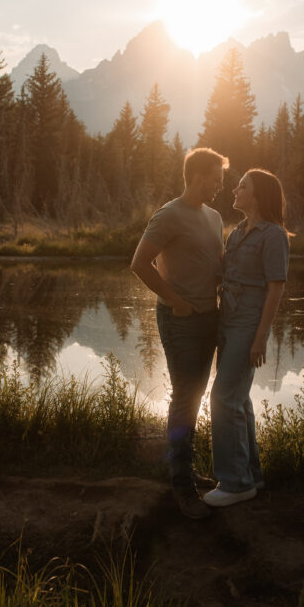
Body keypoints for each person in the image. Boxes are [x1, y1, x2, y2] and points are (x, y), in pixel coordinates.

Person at [131, 147, 229, 519]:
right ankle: (181, 487)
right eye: (216, 180)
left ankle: (186, 470)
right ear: (198, 176)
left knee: (198, 394)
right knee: (185, 395)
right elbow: (139, 263)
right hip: (180, 320)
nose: (220, 187)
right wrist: (175, 301)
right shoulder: (169, 215)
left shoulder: (215, 216)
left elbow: (213, 264)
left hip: (209, 318)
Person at [204, 169, 290, 508]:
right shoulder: (237, 232)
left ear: (258, 195)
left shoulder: (275, 236)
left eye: (242, 186)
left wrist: (260, 338)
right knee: (238, 399)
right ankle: (251, 475)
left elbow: (276, 289)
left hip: (248, 325)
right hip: (227, 321)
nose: (234, 190)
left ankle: (235, 483)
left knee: (223, 397)